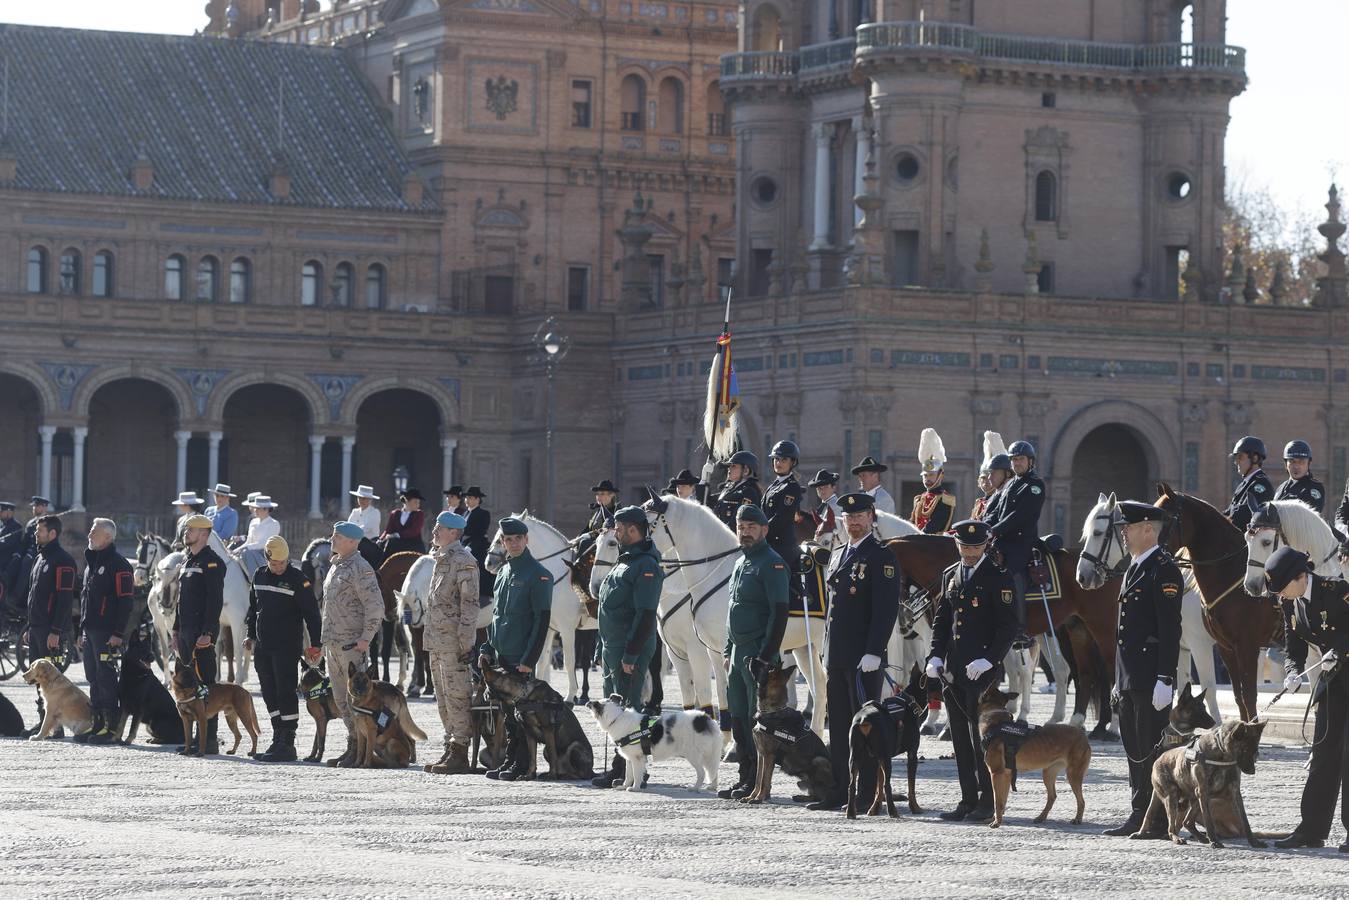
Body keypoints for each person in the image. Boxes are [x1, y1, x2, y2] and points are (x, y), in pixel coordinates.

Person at [925, 519, 1017, 821]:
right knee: (960, 739)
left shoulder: (998, 576)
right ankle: (967, 798)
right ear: (957, 545)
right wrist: (935, 656)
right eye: (964, 546)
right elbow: (942, 619)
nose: (969, 552)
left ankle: (988, 800)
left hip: (981, 670)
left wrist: (990, 659)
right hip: (952, 669)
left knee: (984, 739)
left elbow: (1008, 626)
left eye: (975, 547)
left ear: (986, 545)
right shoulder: (951, 574)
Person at [813, 492, 900, 810]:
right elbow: (832, 611)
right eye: (849, 517)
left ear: (871, 517)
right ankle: (839, 790)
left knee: (865, 729)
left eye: (860, 516)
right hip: (837, 655)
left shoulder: (882, 557)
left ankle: (864, 795)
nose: (854, 522)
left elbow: (885, 608)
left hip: (865, 658)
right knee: (838, 726)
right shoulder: (837, 554)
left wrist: (875, 650)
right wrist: (825, 649)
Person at [1101, 500, 1183, 836]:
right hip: (1130, 676)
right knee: (1135, 750)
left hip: (1150, 676)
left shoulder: (1163, 569)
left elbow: (1169, 628)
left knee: (1151, 749)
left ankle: (1159, 819)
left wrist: (1166, 677)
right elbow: (1124, 631)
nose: (1123, 532)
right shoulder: (1135, 565)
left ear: (1148, 528)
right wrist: (1118, 680)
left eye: (1128, 527)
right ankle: (1139, 813)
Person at [1263, 547, 1349, 851]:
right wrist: (1293, 670)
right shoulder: (1291, 602)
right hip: (1332, 681)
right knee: (1323, 751)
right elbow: (1294, 641)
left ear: (1302, 576)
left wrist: (1339, 651)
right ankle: (1312, 829)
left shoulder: (1336, 590)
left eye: (1283, 588)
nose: (1280, 596)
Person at [719, 504, 789, 801]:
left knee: (754, 718)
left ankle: (758, 780)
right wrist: (726, 649)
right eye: (741, 527)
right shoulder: (740, 563)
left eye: (751, 527)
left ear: (764, 531)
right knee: (737, 715)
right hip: (737, 653)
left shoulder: (771, 563)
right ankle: (744, 775)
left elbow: (779, 613)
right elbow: (733, 609)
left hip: (756, 654)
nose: (745, 532)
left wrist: (765, 655)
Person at [591, 506, 664, 788]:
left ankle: (635, 770)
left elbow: (645, 615)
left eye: (620, 529)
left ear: (633, 530)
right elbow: (606, 612)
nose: (616, 533)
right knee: (613, 709)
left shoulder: (645, 565)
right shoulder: (624, 562)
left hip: (628, 650)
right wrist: (600, 647)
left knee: (629, 712)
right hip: (613, 647)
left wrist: (632, 654)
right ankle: (619, 768)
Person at [479, 516, 553, 781]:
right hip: (501, 654)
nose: (512, 544)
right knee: (508, 715)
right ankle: (512, 759)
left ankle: (523, 765)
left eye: (517, 539)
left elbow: (541, 620)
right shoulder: (504, 573)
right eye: (507, 540)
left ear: (526, 540)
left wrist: (529, 659)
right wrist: (487, 648)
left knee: (522, 714)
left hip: (520, 655)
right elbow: (497, 616)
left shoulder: (539, 574)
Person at [244, 534, 321, 762]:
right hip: (263, 646)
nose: (279, 567)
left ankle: (288, 742)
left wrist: (315, 644)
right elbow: (253, 609)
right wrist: (250, 635)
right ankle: (277, 736)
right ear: (267, 559)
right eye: (275, 563)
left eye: (283, 563)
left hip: (287, 647)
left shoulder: (298, 579)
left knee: (285, 692)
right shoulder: (259, 576)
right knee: (268, 693)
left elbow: (312, 614)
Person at [322, 521, 386, 768]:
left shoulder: (361, 568)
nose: (332, 539)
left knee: (356, 700)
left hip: (351, 645)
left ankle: (360, 748)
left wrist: (365, 638)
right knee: (340, 699)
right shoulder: (335, 566)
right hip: (333, 644)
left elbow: (375, 606)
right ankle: (352, 743)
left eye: (337, 536)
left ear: (352, 541)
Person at [423, 511, 480, 775]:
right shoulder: (440, 559)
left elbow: (469, 605)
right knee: (443, 697)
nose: (434, 531)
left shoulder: (464, 561)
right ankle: (450, 745)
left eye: (440, 528)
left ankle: (461, 750)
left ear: (454, 533)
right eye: (435, 527)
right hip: (436, 641)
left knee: (458, 695)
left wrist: (466, 642)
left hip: (454, 643)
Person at [73, 518, 134, 745]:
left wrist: (118, 632)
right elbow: (85, 600)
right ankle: (97, 724)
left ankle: (111, 728)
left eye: (93, 531)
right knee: (92, 676)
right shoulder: (91, 563)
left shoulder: (119, 565)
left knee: (106, 677)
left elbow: (125, 602)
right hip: (91, 630)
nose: (89, 534)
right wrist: (81, 629)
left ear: (108, 537)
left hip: (108, 631)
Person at [19, 514, 76, 738]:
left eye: (40, 530)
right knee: (38, 677)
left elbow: (64, 600)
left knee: (52, 679)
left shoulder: (63, 561)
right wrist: (29, 627)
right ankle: (45, 720)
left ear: (52, 533)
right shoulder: (40, 558)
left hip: (50, 630)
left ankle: (56, 726)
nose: (36, 533)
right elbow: (34, 596)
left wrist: (56, 631)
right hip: (36, 628)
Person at [985, 440, 1045, 647]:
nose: (1017, 463)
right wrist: (983, 528)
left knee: (1012, 572)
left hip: (1021, 543)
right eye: (1013, 460)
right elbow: (995, 512)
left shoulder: (1035, 485)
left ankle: (1020, 629)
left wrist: (994, 531)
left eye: (1020, 459)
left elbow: (1020, 516)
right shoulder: (1010, 484)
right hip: (1001, 541)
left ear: (1030, 461)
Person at [175, 514, 227, 754]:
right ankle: (192, 737)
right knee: (187, 685)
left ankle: (209, 739)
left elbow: (214, 601)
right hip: (185, 633)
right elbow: (180, 600)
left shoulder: (212, 562)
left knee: (205, 685)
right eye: (186, 529)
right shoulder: (187, 561)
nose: (187, 533)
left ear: (204, 534)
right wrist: (175, 629)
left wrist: (207, 632)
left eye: (192, 530)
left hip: (201, 635)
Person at [761, 441, 805, 596]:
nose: (778, 463)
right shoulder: (773, 485)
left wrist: (759, 533)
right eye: (776, 459)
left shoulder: (792, 487)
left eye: (783, 460)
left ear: (793, 462)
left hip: (782, 546)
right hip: (768, 542)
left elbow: (782, 518)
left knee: (773, 584)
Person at [911, 428, 956, 533]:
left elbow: (935, 525)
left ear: (940, 475)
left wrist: (916, 536)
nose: (927, 478)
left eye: (931, 475)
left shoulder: (945, 499)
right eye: (925, 475)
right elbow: (912, 522)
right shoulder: (919, 499)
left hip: (936, 544)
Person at [1224, 436, 1273, 533]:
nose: (1236, 462)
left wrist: (1222, 521)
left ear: (1254, 458)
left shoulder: (1261, 484)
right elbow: (1229, 511)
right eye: (1236, 458)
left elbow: (1245, 514)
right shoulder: (1244, 484)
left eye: (1240, 457)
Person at [711, 450, 763, 530]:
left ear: (746, 471)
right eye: (729, 466)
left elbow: (738, 521)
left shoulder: (749, 493)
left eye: (733, 466)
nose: (729, 469)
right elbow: (709, 502)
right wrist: (703, 483)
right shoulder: (728, 488)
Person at [1273, 440, 1325, 515]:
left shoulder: (1314, 488)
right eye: (1292, 461)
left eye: (1301, 462)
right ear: (1286, 463)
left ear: (1308, 463)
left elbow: (1310, 516)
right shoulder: (1281, 488)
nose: (1296, 466)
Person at [235, 495, 280, 574]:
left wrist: (245, 548)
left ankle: (255, 580)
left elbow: (263, 544)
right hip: (250, 552)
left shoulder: (274, 524)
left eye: (258, 508)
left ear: (266, 510)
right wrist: (236, 550)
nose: (255, 510)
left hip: (266, 555)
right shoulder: (253, 522)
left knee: (246, 553)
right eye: (255, 508)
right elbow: (248, 541)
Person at [462, 486, 492, 602]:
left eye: (469, 497)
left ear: (477, 499)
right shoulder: (465, 513)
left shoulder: (483, 513)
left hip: (477, 546)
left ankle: (484, 594)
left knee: (478, 567)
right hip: (463, 545)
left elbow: (480, 533)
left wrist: (470, 547)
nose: (466, 500)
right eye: (466, 498)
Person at [380, 488, 427, 556]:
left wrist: (396, 535)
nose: (418, 505)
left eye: (418, 502)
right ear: (407, 501)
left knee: (391, 542)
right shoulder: (395, 513)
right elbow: (388, 530)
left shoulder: (419, 514)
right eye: (415, 502)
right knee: (380, 544)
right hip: (397, 543)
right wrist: (381, 539)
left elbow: (414, 531)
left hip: (413, 545)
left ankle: (381, 564)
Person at [807, 469, 841, 539]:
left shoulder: (837, 506)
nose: (822, 490)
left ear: (834, 487)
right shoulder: (823, 506)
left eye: (825, 487)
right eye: (819, 488)